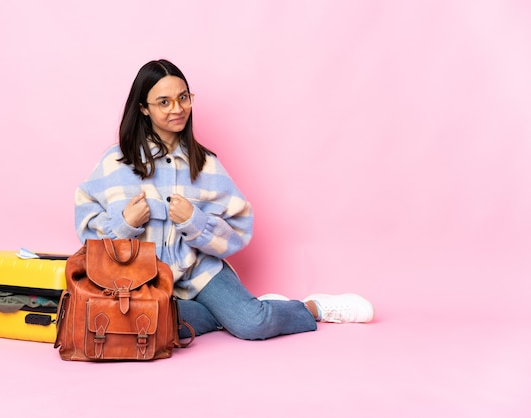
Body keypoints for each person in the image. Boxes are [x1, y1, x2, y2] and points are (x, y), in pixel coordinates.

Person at [74, 59, 374, 340]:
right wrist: (125, 225)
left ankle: (311, 308)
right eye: (163, 102)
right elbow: (86, 230)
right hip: (142, 284)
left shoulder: (205, 165)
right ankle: (234, 311)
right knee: (146, 324)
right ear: (143, 109)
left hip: (199, 273)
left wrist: (195, 222)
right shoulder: (115, 162)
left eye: (183, 98)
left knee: (251, 324)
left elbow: (239, 229)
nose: (177, 108)